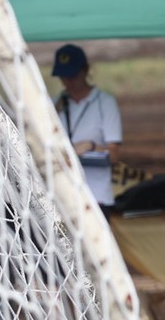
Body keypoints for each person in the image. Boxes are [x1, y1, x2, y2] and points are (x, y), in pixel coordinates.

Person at [52, 44, 123, 215]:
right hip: (61, 194)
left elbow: (113, 155)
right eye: (63, 77)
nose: (68, 81)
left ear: (86, 70)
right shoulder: (54, 104)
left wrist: (90, 147)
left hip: (96, 195)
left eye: (73, 75)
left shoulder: (104, 103)